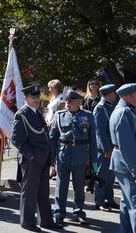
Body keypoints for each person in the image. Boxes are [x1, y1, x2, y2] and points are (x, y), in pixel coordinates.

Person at [11, 85, 61, 232]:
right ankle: (27, 222)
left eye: (37, 97)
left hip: (43, 158)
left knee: (43, 192)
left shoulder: (37, 113)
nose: (36, 100)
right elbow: (16, 139)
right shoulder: (22, 114)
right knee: (30, 192)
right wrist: (32, 154)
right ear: (26, 98)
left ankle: (46, 220)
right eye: (33, 97)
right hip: (32, 159)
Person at [50, 89, 97, 226]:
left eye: (70, 101)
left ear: (79, 102)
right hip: (63, 155)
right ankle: (59, 213)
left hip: (81, 156)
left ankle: (79, 212)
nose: (67, 103)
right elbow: (53, 139)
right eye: (66, 100)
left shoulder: (88, 116)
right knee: (61, 186)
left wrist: (94, 162)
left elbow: (93, 139)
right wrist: (51, 161)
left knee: (79, 186)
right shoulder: (59, 115)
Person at [109, 83, 136, 233]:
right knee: (134, 203)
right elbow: (128, 147)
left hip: (123, 163)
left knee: (127, 201)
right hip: (127, 164)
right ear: (131, 95)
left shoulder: (126, 111)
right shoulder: (124, 112)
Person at [93, 84, 119, 211]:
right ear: (108, 94)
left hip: (112, 147)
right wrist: (106, 149)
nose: (115, 95)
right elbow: (99, 132)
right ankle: (100, 201)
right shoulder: (100, 108)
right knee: (102, 175)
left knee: (111, 175)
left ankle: (109, 199)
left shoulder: (111, 106)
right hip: (104, 149)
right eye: (113, 93)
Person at [46, 79, 65, 180]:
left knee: (55, 147)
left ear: (56, 88)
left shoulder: (61, 98)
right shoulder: (54, 98)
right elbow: (50, 112)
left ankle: (56, 170)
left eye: (51, 88)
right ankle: (53, 168)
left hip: (56, 127)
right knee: (51, 148)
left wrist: (52, 122)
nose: (49, 90)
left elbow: (60, 113)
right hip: (50, 126)